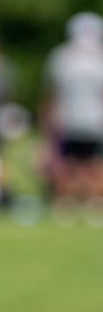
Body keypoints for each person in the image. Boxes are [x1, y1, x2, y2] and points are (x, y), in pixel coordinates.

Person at [41, 11, 103, 214]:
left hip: (94, 121)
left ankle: (94, 200)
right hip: (68, 120)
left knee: (92, 163)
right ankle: (67, 200)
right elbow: (53, 92)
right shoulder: (61, 57)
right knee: (68, 163)